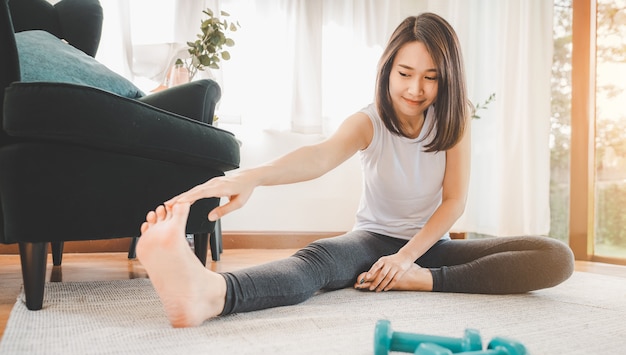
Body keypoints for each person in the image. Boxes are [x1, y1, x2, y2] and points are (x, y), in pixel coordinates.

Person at [136, 13, 575, 328]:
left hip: (429, 248)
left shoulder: (455, 120)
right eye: (405, 72)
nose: (415, 89)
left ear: (448, 79)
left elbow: (454, 200)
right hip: (371, 239)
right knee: (316, 262)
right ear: (388, 70)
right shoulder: (370, 121)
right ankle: (211, 294)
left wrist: (410, 265)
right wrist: (250, 177)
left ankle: (427, 283)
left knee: (556, 257)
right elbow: (319, 156)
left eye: (431, 77)